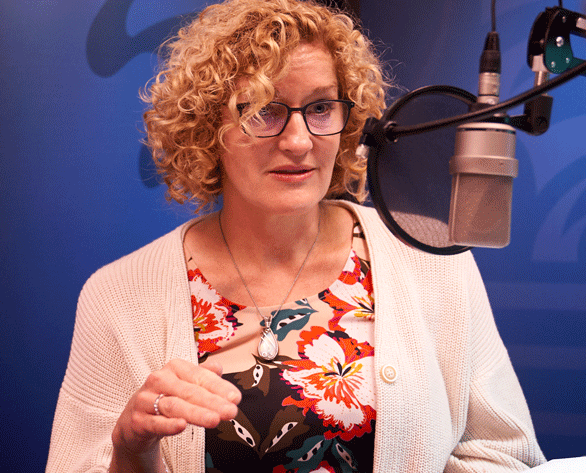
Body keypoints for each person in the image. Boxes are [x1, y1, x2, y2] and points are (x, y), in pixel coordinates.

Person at [46, 0, 546, 471]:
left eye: (322, 108)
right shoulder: (118, 297)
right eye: (265, 109)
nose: (300, 141)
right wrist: (130, 453)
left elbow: (506, 452)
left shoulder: (430, 255)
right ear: (206, 126)